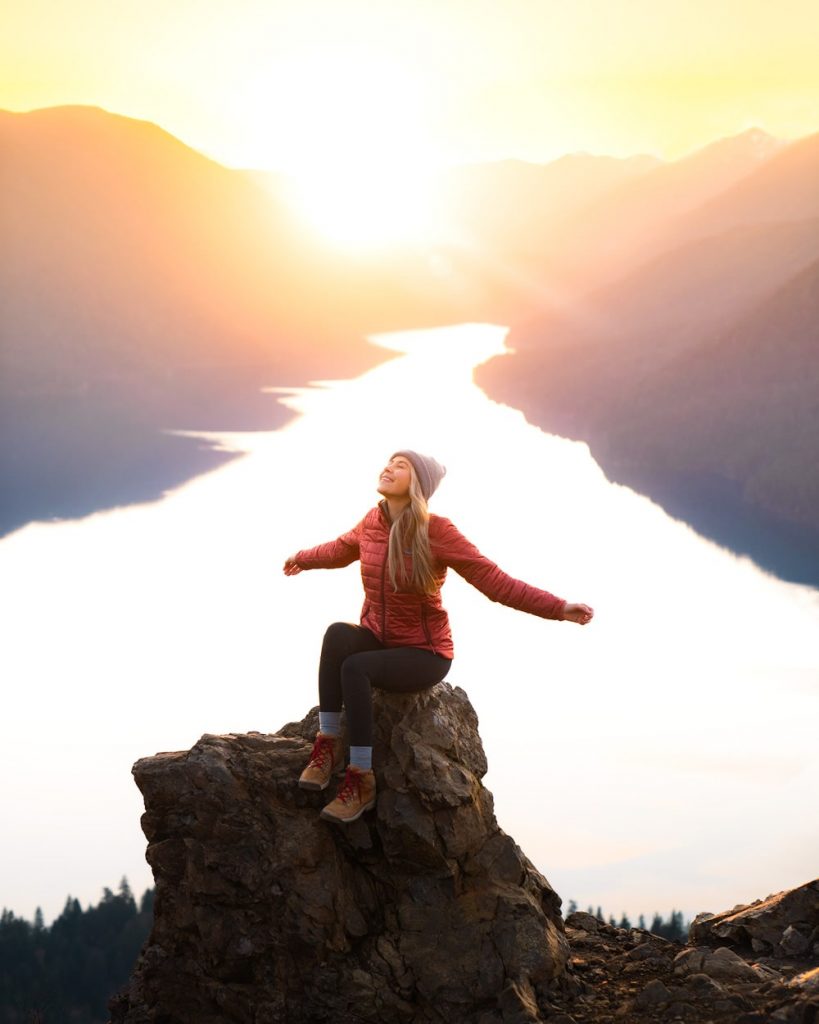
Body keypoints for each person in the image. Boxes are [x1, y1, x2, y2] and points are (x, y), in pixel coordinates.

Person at [283, 449, 594, 825]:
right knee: (337, 635)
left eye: (401, 466)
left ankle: (361, 779)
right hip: (382, 639)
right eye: (389, 461)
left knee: (356, 668)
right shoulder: (372, 522)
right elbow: (339, 549)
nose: (389, 468)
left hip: (424, 654)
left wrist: (559, 608)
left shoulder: (437, 531)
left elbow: (495, 581)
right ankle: (328, 744)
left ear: (417, 484)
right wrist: (302, 557)